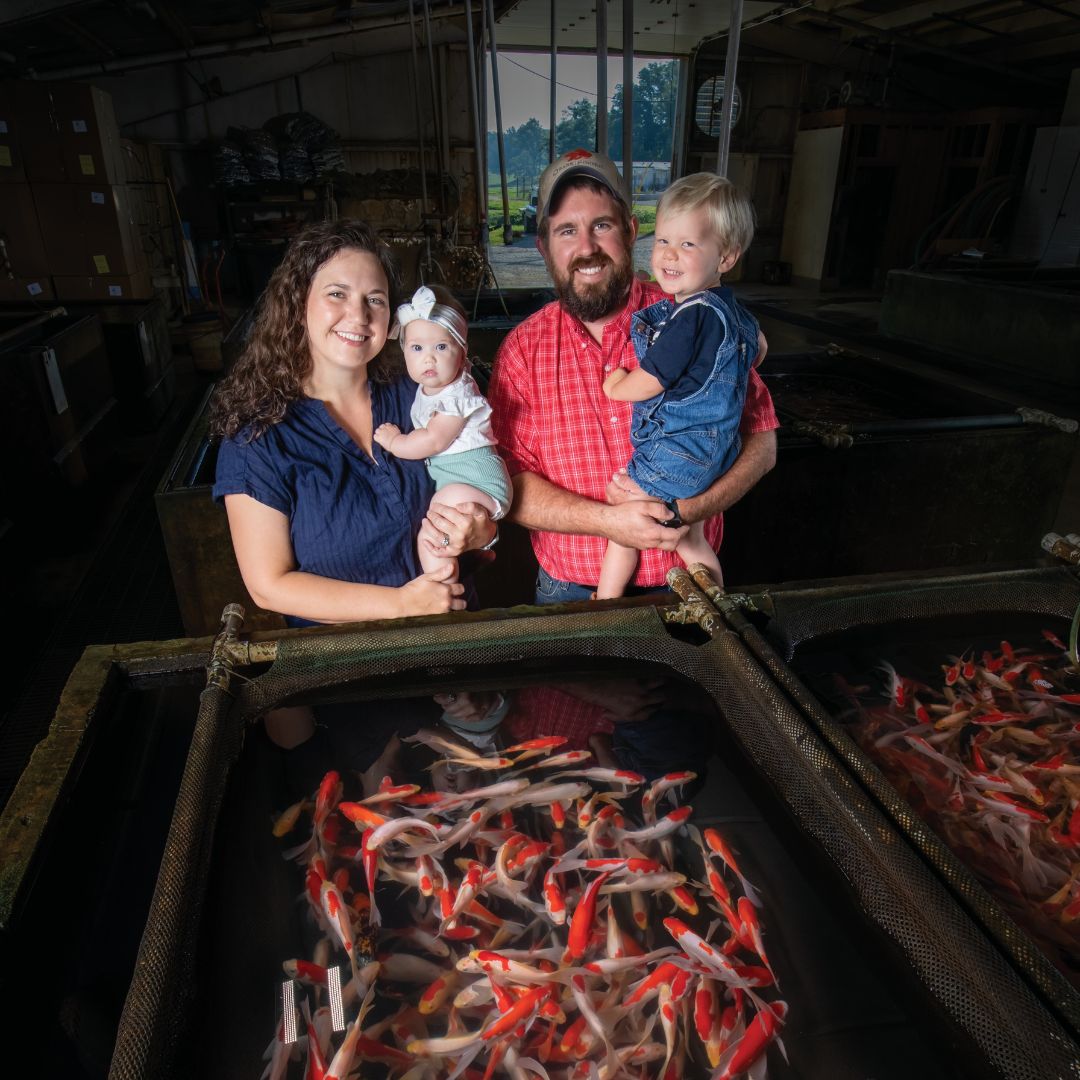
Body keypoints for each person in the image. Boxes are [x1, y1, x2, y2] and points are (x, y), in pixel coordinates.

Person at [487, 149, 778, 606]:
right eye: (567, 230)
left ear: (631, 231)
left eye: (601, 225)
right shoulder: (522, 351)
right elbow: (508, 480)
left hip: (684, 588)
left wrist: (685, 511)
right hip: (567, 594)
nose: (586, 247)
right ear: (543, 247)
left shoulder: (693, 314)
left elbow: (764, 444)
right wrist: (608, 522)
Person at [210, 219, 497, 634]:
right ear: (298, 302)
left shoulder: (418, 394)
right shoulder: (257, 439)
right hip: (350, 668)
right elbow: (269, 586)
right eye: (337, 294)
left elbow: (476, 471)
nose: (358, 316)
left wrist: (481, 530)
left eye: (375, 300)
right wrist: (400, 604)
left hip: (456, 640)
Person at [597, 173, 763, 598]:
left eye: (688, 244)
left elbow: (651, 381)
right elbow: (758, 348)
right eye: (663, 240)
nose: (669, 255)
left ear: (725, 257)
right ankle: (720, 610)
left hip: (679, 451)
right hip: (717, 451)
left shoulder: (690, 316)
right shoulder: (735, 313)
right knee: (692, 541)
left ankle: (603, 607)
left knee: (623, 529)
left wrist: (615, 385)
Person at [374, 285, 512, 584]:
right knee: (439, 521)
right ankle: (452, 575)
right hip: (463, 479)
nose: (429, 359)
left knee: (435, 525)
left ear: (462, 356)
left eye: (441, 347)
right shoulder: (426, 390)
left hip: (478, 478)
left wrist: (395, 442)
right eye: (417, 348)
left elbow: (434, 440)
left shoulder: (456, 395)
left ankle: (444, 585)